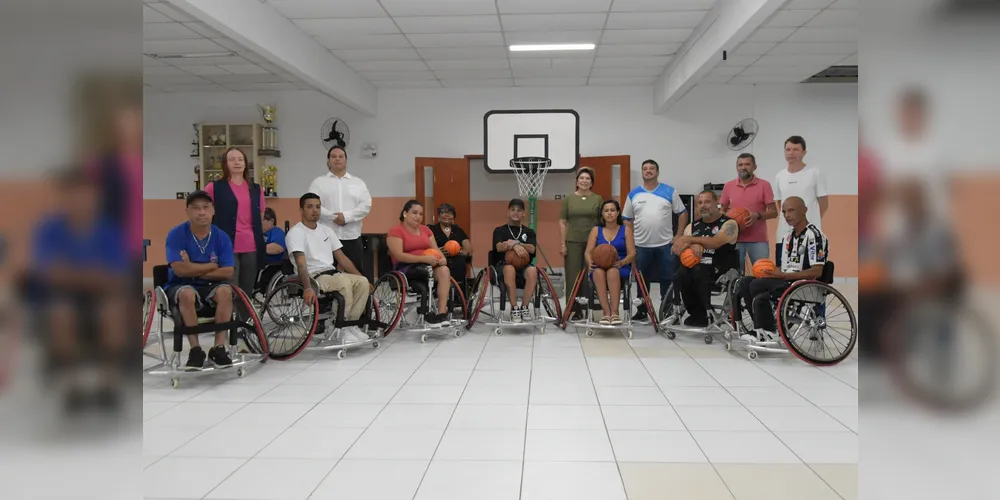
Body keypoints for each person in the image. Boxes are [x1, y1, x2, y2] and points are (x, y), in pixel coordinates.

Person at [29, 169, 128, 410]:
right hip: (61, 296)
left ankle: (108, 382)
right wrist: (93, 274)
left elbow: (115, 277)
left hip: (101, 296)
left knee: (114, 313)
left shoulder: (109, 230)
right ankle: (72, 385)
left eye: (87, 196)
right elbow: (50, 274)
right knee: (61, 314)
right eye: (75, 196)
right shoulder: (49, 228)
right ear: (65, 198)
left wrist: (73, 273)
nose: (81, 202)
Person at [733, 197, 827, 342]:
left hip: (803, 284)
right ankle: (761, 328)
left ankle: (769, 330)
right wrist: (768, 272)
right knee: (744, 282)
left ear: (804, 210)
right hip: (784, 280)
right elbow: (782, 267)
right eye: (784, 212)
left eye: (791, 210)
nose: (787, 215)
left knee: (757, 285)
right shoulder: (787, 237)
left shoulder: (814, 235)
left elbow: (816, 271)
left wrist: (783, 275)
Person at [163, 191, 237, 369]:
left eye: (205, 207)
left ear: (213, 210)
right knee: (187, 294)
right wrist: (211, 266)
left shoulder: (221, 237)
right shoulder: (176, 235)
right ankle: (196, 350)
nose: (201, 212)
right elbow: (180, 270)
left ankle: (218, 349)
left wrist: (192, 268)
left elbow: (228, 271)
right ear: (187, 211)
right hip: (180, 284)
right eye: (196, 208)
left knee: (226, 291)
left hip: (211, 286)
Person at [286, 193, 370, 344]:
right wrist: (307, 288)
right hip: (314, 276)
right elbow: (301, 264)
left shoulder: (326, 230)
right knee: (343, 282)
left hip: (332, 273)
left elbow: (342, 258)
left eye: (318, 207)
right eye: (310, 207)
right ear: (301, 210)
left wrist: (361, 277)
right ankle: (338, 325)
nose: (315, 210)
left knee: (362, 282)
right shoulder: (296, 233)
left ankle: (350, 325)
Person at [623, 159, 688, 323]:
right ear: (642, 172)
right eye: (645, 168)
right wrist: (630, 240)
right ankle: (642, 310)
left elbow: (682, 213)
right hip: (641, 245)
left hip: (665, 245)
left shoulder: (669, 191)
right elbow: (627, 219)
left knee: (667, 278)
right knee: (641, 280)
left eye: (652, 168)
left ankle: (667, 311)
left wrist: (679, 234)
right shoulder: (633, 194)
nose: (648, 171)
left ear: (657, 172)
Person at [671, 191, 740, 327]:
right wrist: (693, 245)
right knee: (681, 273)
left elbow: (715, 242)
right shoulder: (692, 226)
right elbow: (678, 247)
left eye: (707, 202)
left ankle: (706, 312)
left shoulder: (729, 224)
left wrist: (690, 240)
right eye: (700, 203)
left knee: (698, 271)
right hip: (696, 267)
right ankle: (695, 314)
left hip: (720, 268)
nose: (703, 206)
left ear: (717, 203)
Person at [205, 147, 267, 297]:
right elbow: (204, 213)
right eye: (232, 160)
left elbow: (260, 215)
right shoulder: (214, 187)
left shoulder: (256, 189)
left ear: (245, 163)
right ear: (225, 164)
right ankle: (229, 313)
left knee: (246, 291)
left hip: (251, 245)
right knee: (230, 289)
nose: (237, 163)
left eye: (240, 159)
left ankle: (244, 313)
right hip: (226, 244)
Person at [308, 145, 373, 279]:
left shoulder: (358, 183)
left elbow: (366, 205)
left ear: (346, 160)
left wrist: (346, 217)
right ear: (328, 160)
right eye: (333, 156)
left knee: (356, 275)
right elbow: (313, 205)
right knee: (325, 275)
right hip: (326, 237)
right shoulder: (318, 183)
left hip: (352, 237)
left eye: (341, 156)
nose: (337, 159)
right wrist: (333, 217)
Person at [386, 200, 453, 327]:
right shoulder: (395, 231)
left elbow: (436, 249)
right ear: (405, 213)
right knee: (426, 270)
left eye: (421, 214)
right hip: (405, 268)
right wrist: (423, 259)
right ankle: (427, 313)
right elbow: (399, 255)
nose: (418, 216)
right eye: (414, 213)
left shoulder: (426, 230)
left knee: (444, 270)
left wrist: (442, 258)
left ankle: (441, 313)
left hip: (428, 264)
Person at [774, 136, 828, 266]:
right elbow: (780, 204)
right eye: (788, 149)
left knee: (809, 270)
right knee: (782, 270)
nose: (791, 153)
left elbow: (824, 203)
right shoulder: (780, 176)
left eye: (796, 149)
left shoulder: (815, 173)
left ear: (804, 152)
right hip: (784, 234)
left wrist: (810, 221)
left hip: (809, 236)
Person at [720, 153, 776, 274]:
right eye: (740, 165)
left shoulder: (764, 185)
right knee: (735, 274)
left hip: (758, 239)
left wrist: (758, 215)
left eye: (747, 164)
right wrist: (726, 221)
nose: (743, 167)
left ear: (754, 167)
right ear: (736, 167)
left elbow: (773, 212)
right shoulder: (728, 186)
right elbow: (721, 210)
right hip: (734, 239)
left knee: (763, 273)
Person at [559, 167, 602, 320]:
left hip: (593, 243)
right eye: (581, 178)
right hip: (573, 242)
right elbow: (563, 222)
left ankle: (588, 308)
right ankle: (574, 309)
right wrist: (562, 244)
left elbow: (602, 221)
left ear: (592, 182)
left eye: (587, 179)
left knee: (589, 276)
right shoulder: (569, 199)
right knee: (573, 277)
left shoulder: (598, 199)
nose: (584, 181)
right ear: (577, 182)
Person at [584, 200, 636, 325]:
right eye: (606, 211)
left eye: (612, 210)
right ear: (602, 214)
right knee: (597, 272)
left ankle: (614, 312)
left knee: (612, 272)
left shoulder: (626, 230)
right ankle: (606, 313)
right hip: (599, 265)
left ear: (618, 213)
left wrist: (623, 262)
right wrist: (589, 262)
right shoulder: (596, 230)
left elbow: (632, 253)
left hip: (619, 265)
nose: (609, 213)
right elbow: (588, 252)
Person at [492, 199, 539, 323]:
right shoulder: (499, 230)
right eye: (513, 209)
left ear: (524, 213)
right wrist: (511, 246)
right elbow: (498, 247)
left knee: (532, 270)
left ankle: (524, 307)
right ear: (508, 212)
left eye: (519, 210)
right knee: (509, 268)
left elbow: (532, 248)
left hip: (523, 266)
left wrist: (517, 244)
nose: (515, 212)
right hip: (503, 266)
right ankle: (514, 308)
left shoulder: (529, 232)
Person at [427, 203, 473, 295]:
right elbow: (426, 247)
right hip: (439, 262)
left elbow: (469, 251)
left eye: (450, 213)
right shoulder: (431, 229)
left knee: (459, 263)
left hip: (457, 263)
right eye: (444, 212)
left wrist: (458, 251)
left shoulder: (458, 230)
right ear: (438, 216)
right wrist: (437, 251)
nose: (447, 215)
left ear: (453, 218)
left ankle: (459, 295)